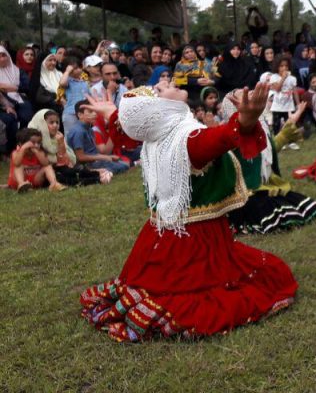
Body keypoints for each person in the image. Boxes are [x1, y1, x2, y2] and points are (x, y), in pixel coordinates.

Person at [79, 82, 298, 341]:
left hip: (162, 235)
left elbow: (127, 129)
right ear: (158, 109)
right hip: (197, 242)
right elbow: (222, 137)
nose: (164, 83)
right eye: (158, 91)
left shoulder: (159, 133)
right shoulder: (189, 140)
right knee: (272, 274)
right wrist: (246, 122)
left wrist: (112, 113)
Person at [218, 94, 316, 234]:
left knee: (308, 206)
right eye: (244, 95)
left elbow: (271, 148)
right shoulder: (229, 135)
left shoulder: (259, 131)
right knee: (270, 216)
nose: (250, 94)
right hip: (245, 194)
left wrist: (290, 123)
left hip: (263, 188)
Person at [28, 108, 107, 187]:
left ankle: (97, 174)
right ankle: (96, 179)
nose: (55, 125)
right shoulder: (35, 140)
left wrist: (61, 144)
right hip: (41, 175)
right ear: (42, 124)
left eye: (57, 122)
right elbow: (46, 163)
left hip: (58, 169)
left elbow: (67, 162)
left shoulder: (57, 137)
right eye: (51, 123)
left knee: (68, 171)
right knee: (62, 175)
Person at [65, 101, 130, 175]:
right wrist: (103, 157)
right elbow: (80, 157)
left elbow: (94, 152)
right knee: (124, 166)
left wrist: (108, 157)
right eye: (90, 111)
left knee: (124, 163)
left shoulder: (89, 128)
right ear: (80, 115)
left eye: (95, 111)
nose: (95, 114)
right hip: (87, 165)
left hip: (96, 161)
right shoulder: (78, 131)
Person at [8, 128, 64, 192]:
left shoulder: (39, 152)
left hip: (35, 179)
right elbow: (16, 163)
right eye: (33, 143)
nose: (36, 145)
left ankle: (54, 183)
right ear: (21, 144)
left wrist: (36, 152)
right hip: (18, 180)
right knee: (18, 166)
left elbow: (46, 163)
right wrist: (23, 148)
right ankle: (22, 184)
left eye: (38, 143)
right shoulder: (16, 153)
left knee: (47, 166)